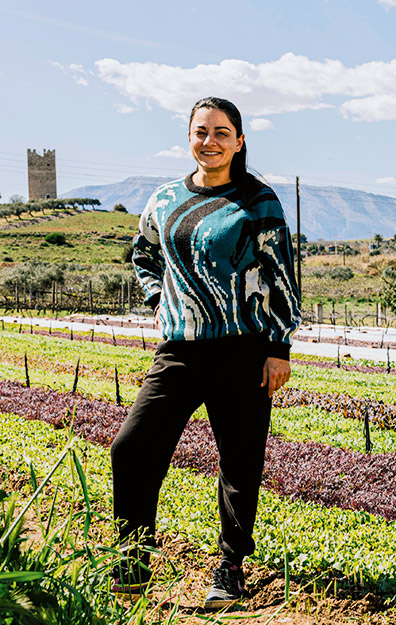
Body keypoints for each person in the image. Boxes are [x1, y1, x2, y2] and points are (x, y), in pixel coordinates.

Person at [110, 97, 301, 609]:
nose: (209, 142)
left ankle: (230, 568)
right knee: (132, 448)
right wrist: (157, 298)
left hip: (242, 349)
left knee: (239, 462)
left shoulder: (258, 200)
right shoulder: (167, 198)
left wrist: (279, 346)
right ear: (188, 137)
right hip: (178, 351)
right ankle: (131, 562)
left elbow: (281, 274)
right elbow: (143, 253)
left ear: (239, 141)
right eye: (201, 132)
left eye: (221, 133)